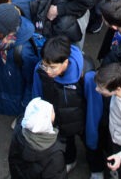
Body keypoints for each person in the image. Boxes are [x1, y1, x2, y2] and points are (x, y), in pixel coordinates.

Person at [32, 36, 91, 171]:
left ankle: (96, 167)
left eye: (52, 67)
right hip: (59, 119)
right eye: (45, 65)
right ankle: (71, 160)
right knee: (67, 142)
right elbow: (36, 95)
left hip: (82, 118)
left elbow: (92, 102)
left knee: (90, 143)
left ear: (65, 62)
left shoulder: (85, 72)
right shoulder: (40, 70)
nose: (47, 71)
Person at [8, 97, 66, 179]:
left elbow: (12, 157)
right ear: (47, 124)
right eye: (51, 112)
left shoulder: (19, 128)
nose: (54, 111)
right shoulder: (55, 155)